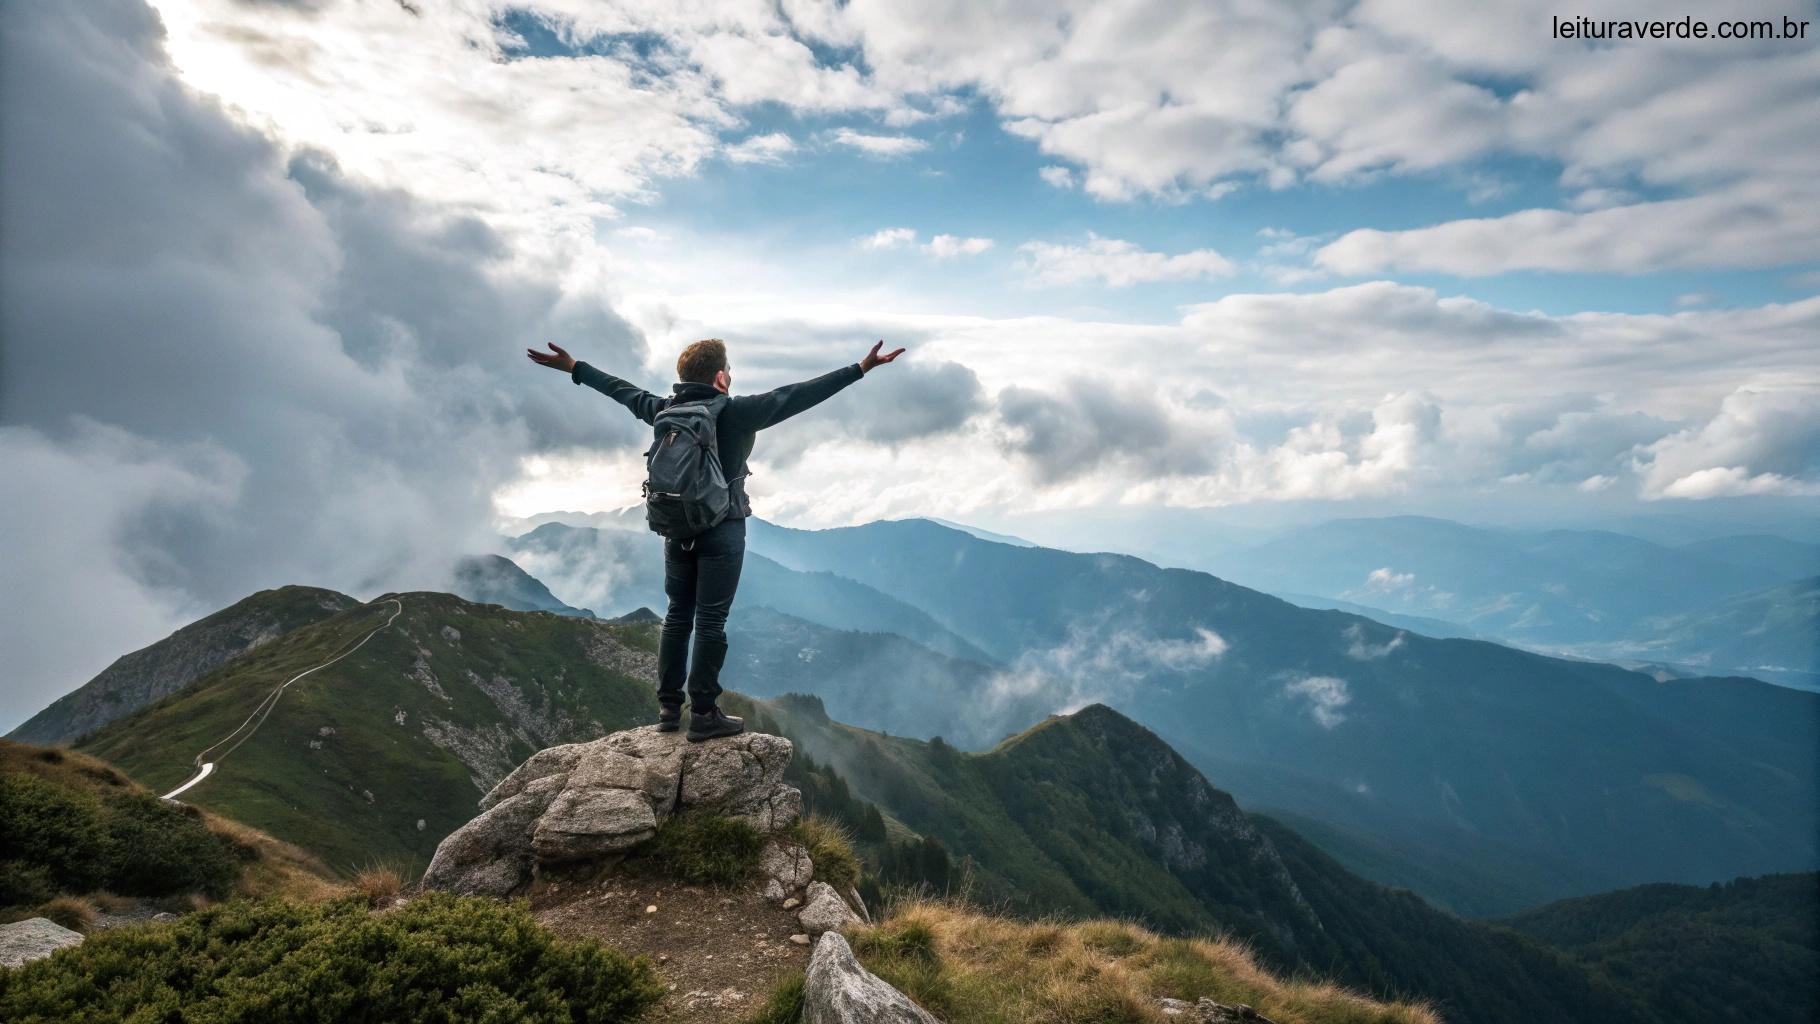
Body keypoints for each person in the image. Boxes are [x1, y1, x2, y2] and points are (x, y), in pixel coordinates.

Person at [527, 337, 904, 741]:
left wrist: (575, 367)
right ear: (722, 377)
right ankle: (704, 713)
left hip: (677, 528)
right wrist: (859, 368)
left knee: (677, 615)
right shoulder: (738, 412)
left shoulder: (665, 410)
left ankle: (669, 708)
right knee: (710, 620)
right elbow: (798, 395)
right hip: (723, 528)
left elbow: (623, 391)